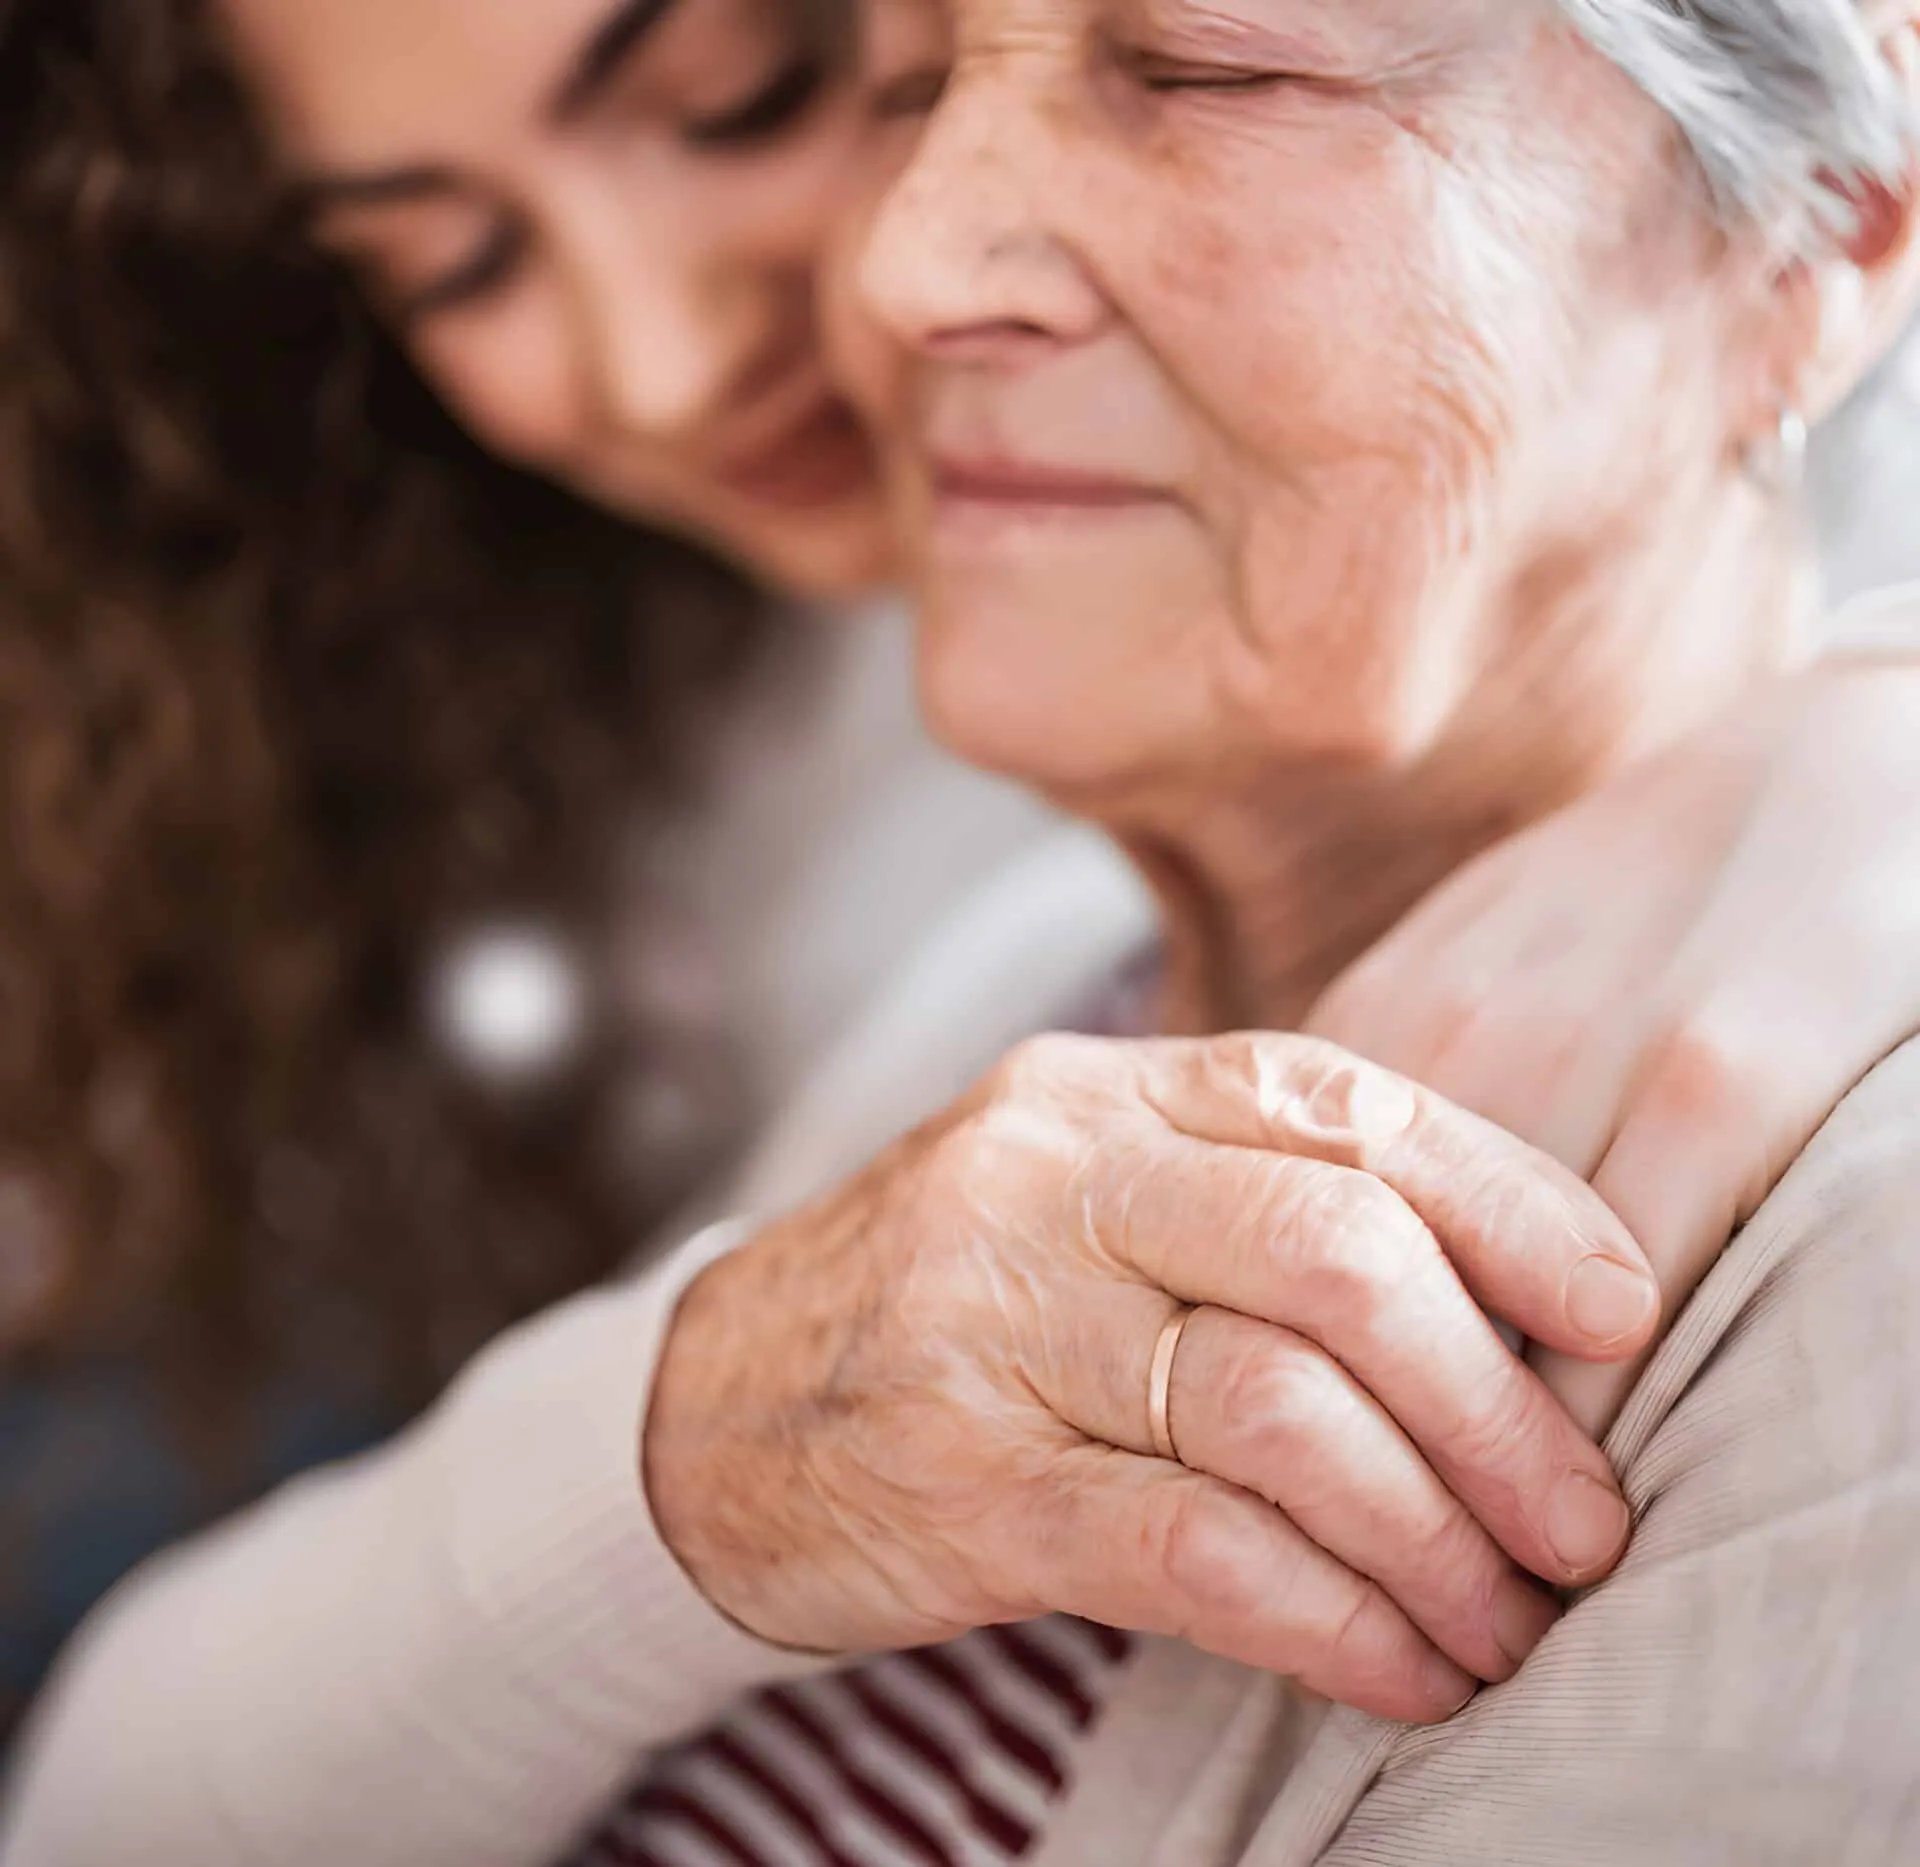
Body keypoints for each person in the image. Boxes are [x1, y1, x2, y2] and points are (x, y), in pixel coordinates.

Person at [8, 5, 1920, 1867]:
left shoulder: (1830, 1283)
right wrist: (715, 1435)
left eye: (1201, 63)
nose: (905, 258)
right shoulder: (1022, 979)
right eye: (909, 78)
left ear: (1838, 219)